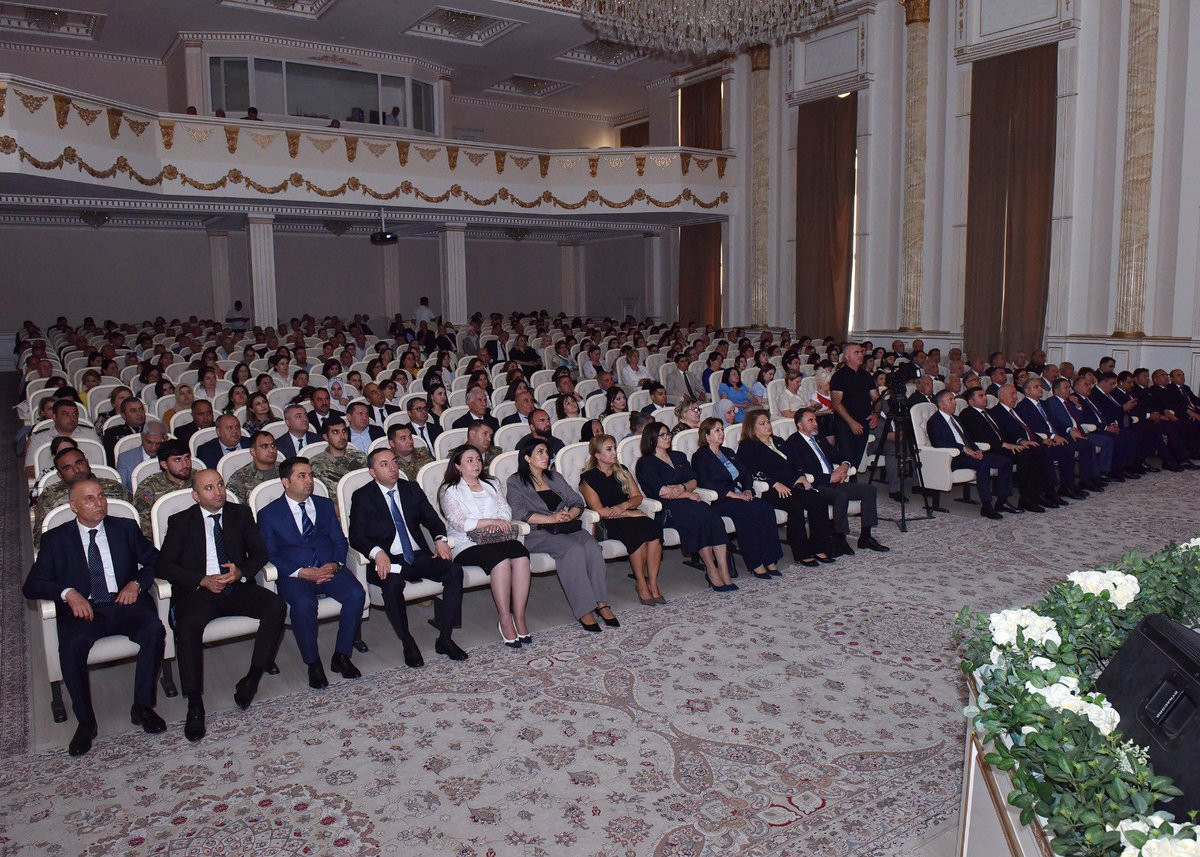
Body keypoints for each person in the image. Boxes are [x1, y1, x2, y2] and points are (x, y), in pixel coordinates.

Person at [23, 478, 166, 757]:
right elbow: (32, 586)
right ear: (73, 506)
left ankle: (142, 707)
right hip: (84, 610)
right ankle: (86, 723)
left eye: (101, 496)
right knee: (71, 646)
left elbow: (156, 560)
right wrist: (67, 593)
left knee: (153, 630)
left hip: (123, 602)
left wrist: (137, 583)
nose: (99, 503)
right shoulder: (56, 539)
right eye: (89, 499)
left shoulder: (124, 528)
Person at [157, 469, 286, 741]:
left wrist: (241, 572)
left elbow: (260, 552)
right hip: (199, 592)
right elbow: (165, 565)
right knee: (188, 625)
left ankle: (252, 679)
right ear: (196, 495)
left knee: (275, 605)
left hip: (236, 587)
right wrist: (201, 580)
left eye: (220, 485)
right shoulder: (181, 521)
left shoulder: (240, 514)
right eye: (208, 488)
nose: (218, 492)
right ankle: (195, 703)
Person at [349, 448, 468, 667]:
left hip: (417, 555)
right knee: (392, 584)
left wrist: (440, 538)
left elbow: (432, 519)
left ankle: (445, 638)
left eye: (394, 462)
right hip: (388, 560)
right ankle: (407, 641)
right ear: (372, 472)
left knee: (454, 571)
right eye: (384, 464)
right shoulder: (363, 496)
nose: (393, 468)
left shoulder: (411, 488)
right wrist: (377, 552)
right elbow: (356, 536)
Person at [258, 457, 365, 689]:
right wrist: (300, 572)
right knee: (304, 604)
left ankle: (341, 655)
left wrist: (334, 564)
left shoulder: (324, 505)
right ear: (285, 482)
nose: (309, 481)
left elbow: (339, 541)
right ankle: (313, 663)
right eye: (302, 476)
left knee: (356, 593)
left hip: (329, 568)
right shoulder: (269, 514)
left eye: (311, 475)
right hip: (296, 574)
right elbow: (270, 554)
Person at [506, 436, 616, 632]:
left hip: (564, 526)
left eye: (546, 452)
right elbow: (517, 512)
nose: (545, 456)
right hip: (536, 533)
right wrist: (550, 519)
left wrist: (571, 514)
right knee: (572, 549)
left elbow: (576, 500)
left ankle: (601, 603)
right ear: (527, 457)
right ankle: (584, 609)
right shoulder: (516, 481)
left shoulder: (554, 477)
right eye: (540, 452)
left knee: (591, 545)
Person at [438, 445, 533, 648]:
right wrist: (488, 522)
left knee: (521, 555)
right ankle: (505, 619)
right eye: (470, 460)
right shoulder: (449, 490)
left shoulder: (492, 483)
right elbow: (458, 522)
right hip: (466, 542)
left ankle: (519, 616)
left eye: (478, 460)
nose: (476, 464)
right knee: (500, 560)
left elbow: (505, 510)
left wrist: (498, 522)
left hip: (497, 537)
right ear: (458, 466)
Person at [635, 422, 737, 589]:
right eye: (662, 435)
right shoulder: (645, 463)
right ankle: (711, 569)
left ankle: (724, 570)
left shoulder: (678, 456)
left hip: (688, 500)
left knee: (714, 518)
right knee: (698, 520)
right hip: (666, 507)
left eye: (668, 434)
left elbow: (693, 480)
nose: (667, 437)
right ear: (651, 439)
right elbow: (662, 491)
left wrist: (683, 487)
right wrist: (688, 493)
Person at [735, 410, 835, 567]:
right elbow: (750, 471)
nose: (767, 425)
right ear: (752, 428)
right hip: (769, 489)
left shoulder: (778, 441)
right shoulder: (747, 446)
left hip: (791, 485)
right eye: (762, 423)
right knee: (795, 505)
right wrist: (774, 483)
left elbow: (795, 462)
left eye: (768, 422)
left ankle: (819, 547)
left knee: (818, 500)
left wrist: (800, 476)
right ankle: (801, 553)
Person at [784, 409, 889, 554]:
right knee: (841, 496)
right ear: (800, 425)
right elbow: (798, 471)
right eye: (810, 421)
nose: (815, 424)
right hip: (816, 486)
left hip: (834, 481)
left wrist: (845, 465)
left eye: (815, 420)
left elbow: (838, 455)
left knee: (869, 490)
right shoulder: (793, 443)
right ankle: (839, 538)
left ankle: (866, 537)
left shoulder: (818, 438)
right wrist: (829, 478)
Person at [690, 417, 783, 579]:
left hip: (740, 495)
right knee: (748, 511)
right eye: (717, 430)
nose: (721, 433)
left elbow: (745, 473)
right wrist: (733, 494)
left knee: (766, 508)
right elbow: (705, 482)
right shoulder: (700, 456)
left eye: (722, 429)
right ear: (706, 436)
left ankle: (770, 558)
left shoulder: (728, 452)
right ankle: (755, 562)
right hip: (720, 499)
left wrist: (747, 489)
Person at [578, 434, 666, 605]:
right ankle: (641, 584)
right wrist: (628, 513)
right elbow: (600, 511)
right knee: (638, 536)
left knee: (655, 530)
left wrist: (624, 506)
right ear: (597, 455)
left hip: (628, 512)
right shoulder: (588, 478)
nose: (614, 452)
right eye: (609, 449)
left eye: (614, 448)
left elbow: (637, 497)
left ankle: (653, 583)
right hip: (609, 522)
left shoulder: (622, 470)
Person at [925, 390, 1016, 520]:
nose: (954, 402)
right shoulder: (934, 421)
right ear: (941, 404)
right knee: (983, 464)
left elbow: (968, 439)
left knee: (1006, 461)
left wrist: (977, 450)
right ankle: (986, 506)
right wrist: (962, 448)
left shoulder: (956, 419)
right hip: (952, 457)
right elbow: (938, 443)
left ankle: (1002, 501)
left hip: (969, 454)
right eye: (950, 400)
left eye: (954, 399)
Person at [308, 416, 366, 511]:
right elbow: (316, 498)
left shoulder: (360, 456)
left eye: (344, 431)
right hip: (339, 513)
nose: (342, 436)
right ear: (326, 437)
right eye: (335, 432)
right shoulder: (316, 464)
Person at [225, 431, 280, 503]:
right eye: (264, 446)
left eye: (273, 445)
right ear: (253, 452)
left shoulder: (288, 469)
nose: (271, 450)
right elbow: (233, 507)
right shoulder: (239, 479)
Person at [116, 419, 167, 491]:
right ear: (142, 437)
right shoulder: (125, 459)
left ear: (165, 439)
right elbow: (121, 490)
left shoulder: (172, 457)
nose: (153, 447)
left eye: (158, 443)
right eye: (149, 442)